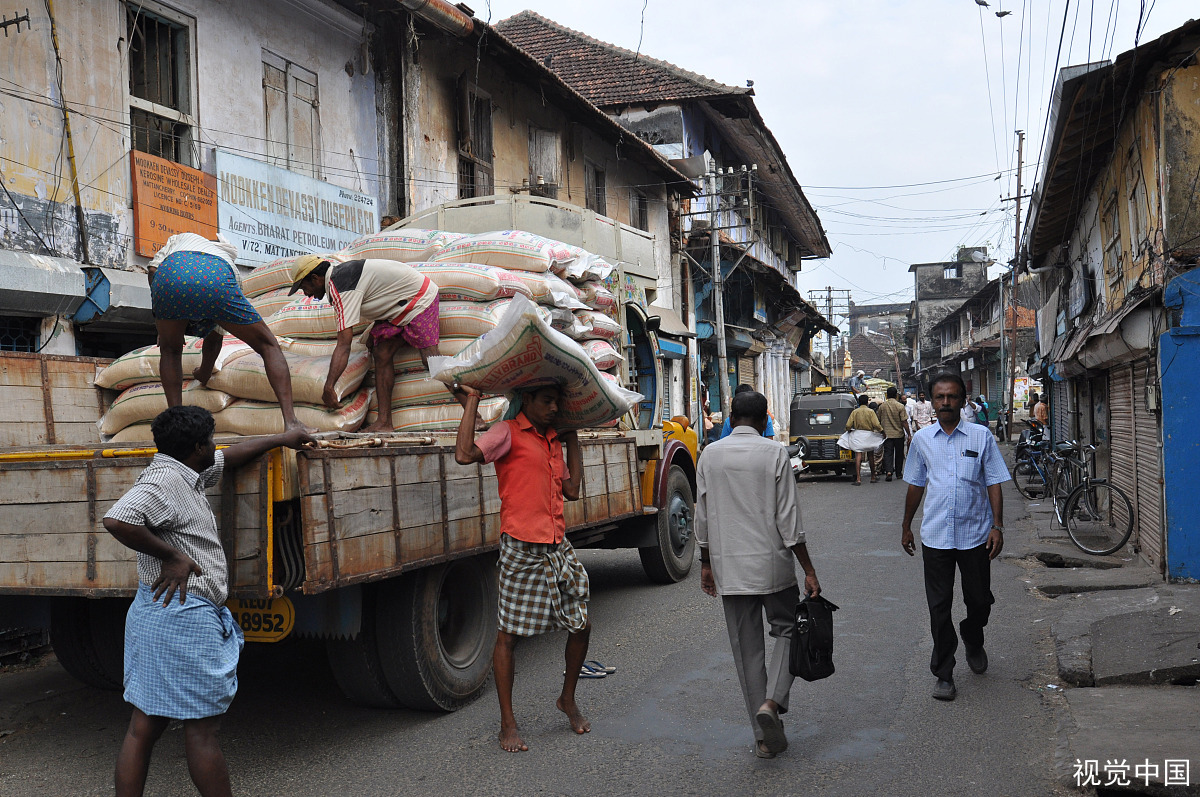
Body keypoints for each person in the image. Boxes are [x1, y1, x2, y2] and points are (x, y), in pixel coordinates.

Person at [103, 406, 313, 797]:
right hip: (182, 616)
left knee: (144, 725)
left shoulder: (186, 469)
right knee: (202, 729)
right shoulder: (165, 481)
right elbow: (118, 519)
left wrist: (283, 437)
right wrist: (172, 556)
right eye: (211, 441)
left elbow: (229, 456)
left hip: (159, 612)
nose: (216, 446)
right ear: (197, 446)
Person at [450, 383, 589, 753]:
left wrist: (572, 436)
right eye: (547, 401)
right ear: (527, 400)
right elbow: (464, 454)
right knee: (507, 637)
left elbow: (573, 490)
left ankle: (567, 699)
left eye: (558, 402)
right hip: (520, 547)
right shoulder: (507, 433)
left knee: (582, 623)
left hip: (557, 545)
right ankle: (507, 724)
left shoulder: (552, 441)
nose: (554, 407)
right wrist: (474, 400)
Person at [696, 389, 821, 760]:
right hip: (772, 565)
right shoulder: (775, 454)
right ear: (765, 419)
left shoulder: (709, 456)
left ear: (731, 418)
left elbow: (702, 517)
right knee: (785, 630)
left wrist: (706, 564)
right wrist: (809, 570)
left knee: (746, 648)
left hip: (728, 565)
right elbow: (789, 521)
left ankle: (763, 738)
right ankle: (772, 701)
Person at [901, 373, 1009, 702]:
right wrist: (906, 525)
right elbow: (916, 485)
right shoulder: (922, 440)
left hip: (975, 534)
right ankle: (944, 673)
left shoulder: (981, 437)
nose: (945, 403)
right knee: (939, 607)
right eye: (939, 397)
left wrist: (998, 525)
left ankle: (973, 637)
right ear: (931, 401)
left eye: (951, 397)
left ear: (964, 400)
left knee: (979, 600)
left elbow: (993, 481)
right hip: (936, 537)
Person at [145, 232, 306, 432]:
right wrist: (204, 373)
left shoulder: (181, 238)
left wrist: (161, 318)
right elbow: (214, 339)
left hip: (170, 275)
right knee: (268, 345)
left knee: (170, 351)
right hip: (215, 279)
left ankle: (177, 426)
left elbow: (153, 270)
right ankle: (291, 422)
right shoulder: (230, 266)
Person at [289, 255, 441, 433]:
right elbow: (379, 294)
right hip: (398, 307)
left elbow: (344, 345)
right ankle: (384, 422)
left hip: (419, 299)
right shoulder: (340, 279)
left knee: (431, 360)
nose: (306, 293)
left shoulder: (341, 286)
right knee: (381, 352)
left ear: (315, 278)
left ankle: (471, 405)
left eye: (304, 287)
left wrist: (329, 386)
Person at [845, 393, 884, 485]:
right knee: (871, 456)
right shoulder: (871, 412)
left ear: (859, 402)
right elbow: (876, 425)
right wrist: (882, 432)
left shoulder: (855, 412)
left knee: (858, 456)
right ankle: (873, 477)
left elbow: (848, 425)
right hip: (869, 435)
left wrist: (849, 430)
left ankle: (858, 479)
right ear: (867, 402)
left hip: (858, 435)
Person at [876, 386, 911, 482]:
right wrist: (909, 434)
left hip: (887, 435)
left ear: (887, 395)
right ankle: (899, 473)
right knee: (899, 454)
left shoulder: (882, 407)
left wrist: (881, 431)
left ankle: (889, 472)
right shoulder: (900, 406)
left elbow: (878, 420)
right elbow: (904, 422)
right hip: (899, 434)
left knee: (888, 453)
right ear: (896, 395)